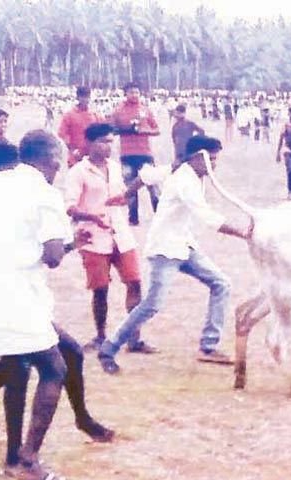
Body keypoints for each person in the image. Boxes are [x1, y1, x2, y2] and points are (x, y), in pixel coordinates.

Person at [0, 130, 112, 480]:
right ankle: (26, 460)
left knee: (34, 359)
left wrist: (2, 239)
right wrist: (63, 244)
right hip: (15, 297)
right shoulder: (44, 194)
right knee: (53, 367)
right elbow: (51, 257)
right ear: (53, 162)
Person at [98, 135, 252, 372]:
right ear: (196, 158)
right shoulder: (184, 182)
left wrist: (126, 194)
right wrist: (243, 233)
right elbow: (208, 218)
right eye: (210, 159)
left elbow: (146, 175)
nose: (214, 165)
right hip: (165, 250)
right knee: (152, 304)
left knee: (221, 284)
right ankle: (109, 348)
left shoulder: (180, 170)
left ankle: (208, 347)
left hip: (184, 245)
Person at [64, 123, 158, 362]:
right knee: (100, 289)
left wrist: (123, 201)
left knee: (135, 282)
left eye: (111, 141)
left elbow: (121, 194)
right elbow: (70, 207)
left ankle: (133, 337)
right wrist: (91, 216)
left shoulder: (115, 168)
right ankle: (100, 335)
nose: (109, 146)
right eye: (104, 141)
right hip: (93, 236)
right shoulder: (78, 172)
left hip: (120, 233)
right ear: (90, 143)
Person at [111, 82, 160, 226]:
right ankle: (133, 218)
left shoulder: (145, 110)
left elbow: (156, 130)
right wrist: (127, 130)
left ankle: (159, 215)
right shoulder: (118, 111)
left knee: (153, 185)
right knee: (130, 187)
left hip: (145, 153)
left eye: (137, 92)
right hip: (127, 154)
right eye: (131, 92)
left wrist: (145, 131)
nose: (135, 95)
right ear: (125, 94)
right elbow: (112, 130)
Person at [58, 86, 101, 167]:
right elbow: (62, 134)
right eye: (83, 96)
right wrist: (72, 149)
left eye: (87, 96)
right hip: (75, 157)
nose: (85, 99)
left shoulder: (95, 115)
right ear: (78, 97)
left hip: (92, 156)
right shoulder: (69, 115)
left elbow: (102, 134)